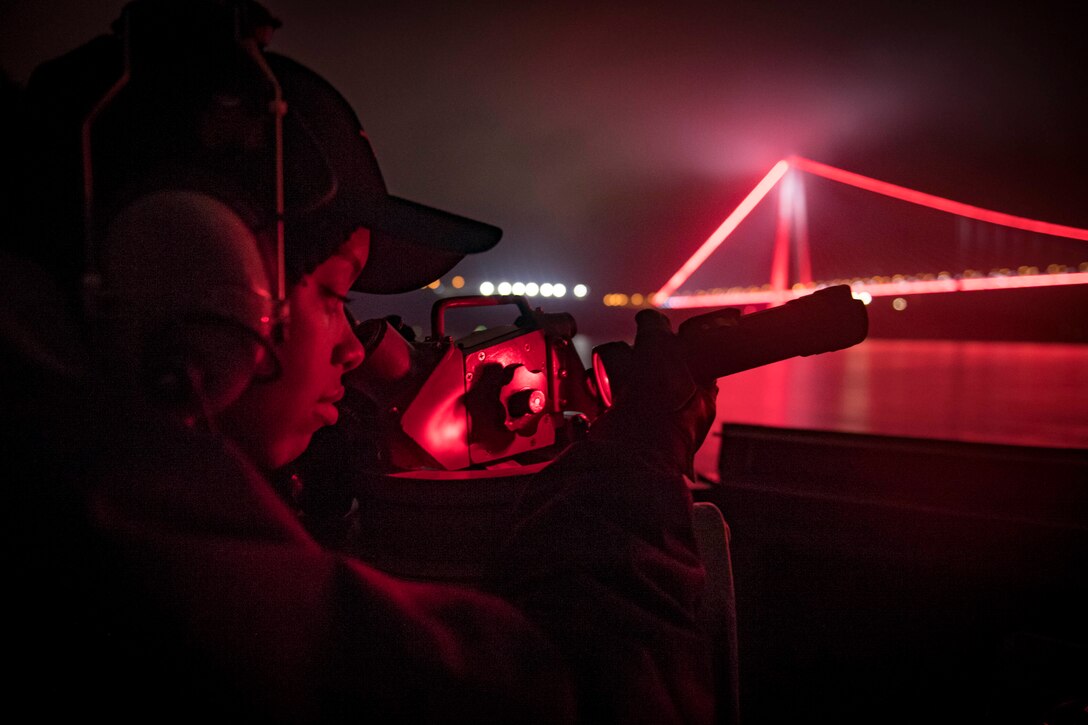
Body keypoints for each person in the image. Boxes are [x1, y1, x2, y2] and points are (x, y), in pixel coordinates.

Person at [4, 1, 718, 721]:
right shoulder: (156, 567)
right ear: (184, 283)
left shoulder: (60, 462)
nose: (352, 343)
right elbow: (584, 696)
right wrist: (642, 455)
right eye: (333, 295)